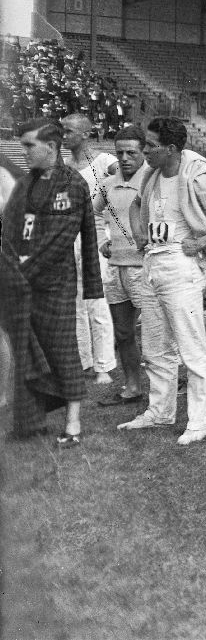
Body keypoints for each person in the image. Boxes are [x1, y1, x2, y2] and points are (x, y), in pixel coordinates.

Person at [117, 116, 206, 445]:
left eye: (150, 145)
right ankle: (160, 412)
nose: (145, 151)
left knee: (191, 347)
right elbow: (135, 204)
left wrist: (201, 243)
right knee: (156, 346)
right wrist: (138, 231)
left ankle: (200, 422)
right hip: (152, 262)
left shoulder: (198, 174)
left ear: (171, 148)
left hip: (181, 265)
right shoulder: (152, 174)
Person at [2, 119, 102, 445]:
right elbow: (12, 227)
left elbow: (60, 239)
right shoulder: (25, 183)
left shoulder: (70, 183)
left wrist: (21, 270)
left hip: (54, 283)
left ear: (52, 146)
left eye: (30, 145)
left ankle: (72, 423)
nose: (24, 152)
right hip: (21, 282)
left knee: (61, 351)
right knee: (26, 350)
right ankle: (30, 422)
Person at [92, 124, 151, 407]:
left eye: (132, 152)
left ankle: (174, 382)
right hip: (116, 268)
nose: (125, 158)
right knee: (124, 332)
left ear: (144, 152)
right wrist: (102, 240)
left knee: (156, 331)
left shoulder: (152, 180)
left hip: (145, 268)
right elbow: (91, 214)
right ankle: (132, 386)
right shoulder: (107, 183)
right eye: (120, 152)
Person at [61, 112, 118, 385]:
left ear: (85, 133)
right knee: (75, 302)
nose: (64, 135)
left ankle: (104, 365)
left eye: (69, 130)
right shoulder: (62, 164)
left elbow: (128, 182)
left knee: (96, 301)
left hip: (94, 236)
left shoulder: (104, 162)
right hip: (67, 237)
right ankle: (84, 360)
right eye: (62, 130)